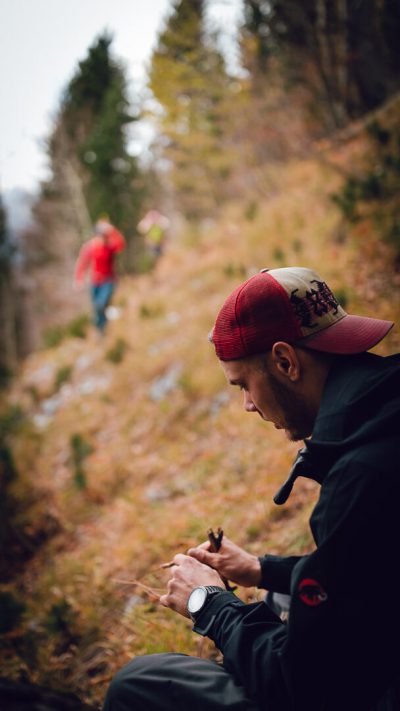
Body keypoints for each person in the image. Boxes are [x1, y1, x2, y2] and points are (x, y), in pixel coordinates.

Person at [104, 266, 400, 711]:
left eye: (243, 384)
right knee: (281, 593)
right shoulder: (383, 419)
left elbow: (304, 685)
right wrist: (262, 570)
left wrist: (209, 605)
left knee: (140, 683)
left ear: (285, 361)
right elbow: (369, 568)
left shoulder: (360, 476)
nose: (247, 405)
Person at [74, 218, 125, 335]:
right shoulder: (90, 247)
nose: (101, 239)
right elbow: (82, 262)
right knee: (96, 307)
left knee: (101, 303)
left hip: (109, 280)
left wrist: (112, 230)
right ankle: (100, 329)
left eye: (104, 236)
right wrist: (79, 278)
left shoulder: (109, 246)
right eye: (100, 236)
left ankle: (104, 326)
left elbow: (120, 244)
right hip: (95, 282)